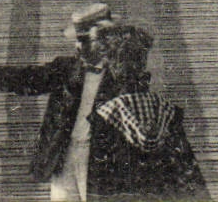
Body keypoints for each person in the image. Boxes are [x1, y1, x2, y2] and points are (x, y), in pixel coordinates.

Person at [0, 2, 119, 200]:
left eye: (85, 41)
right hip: (65, 152)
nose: (77, 47)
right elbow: (28, 78)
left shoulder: (123, 75)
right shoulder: (66, 68)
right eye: (77, 40)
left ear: (104, 43)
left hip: (102, 158)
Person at [86, 23, 209, 200]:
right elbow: (186, 166)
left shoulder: (106, 115)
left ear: (112, 67)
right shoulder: (167, 111)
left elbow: (99, 178)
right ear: (143, 63)